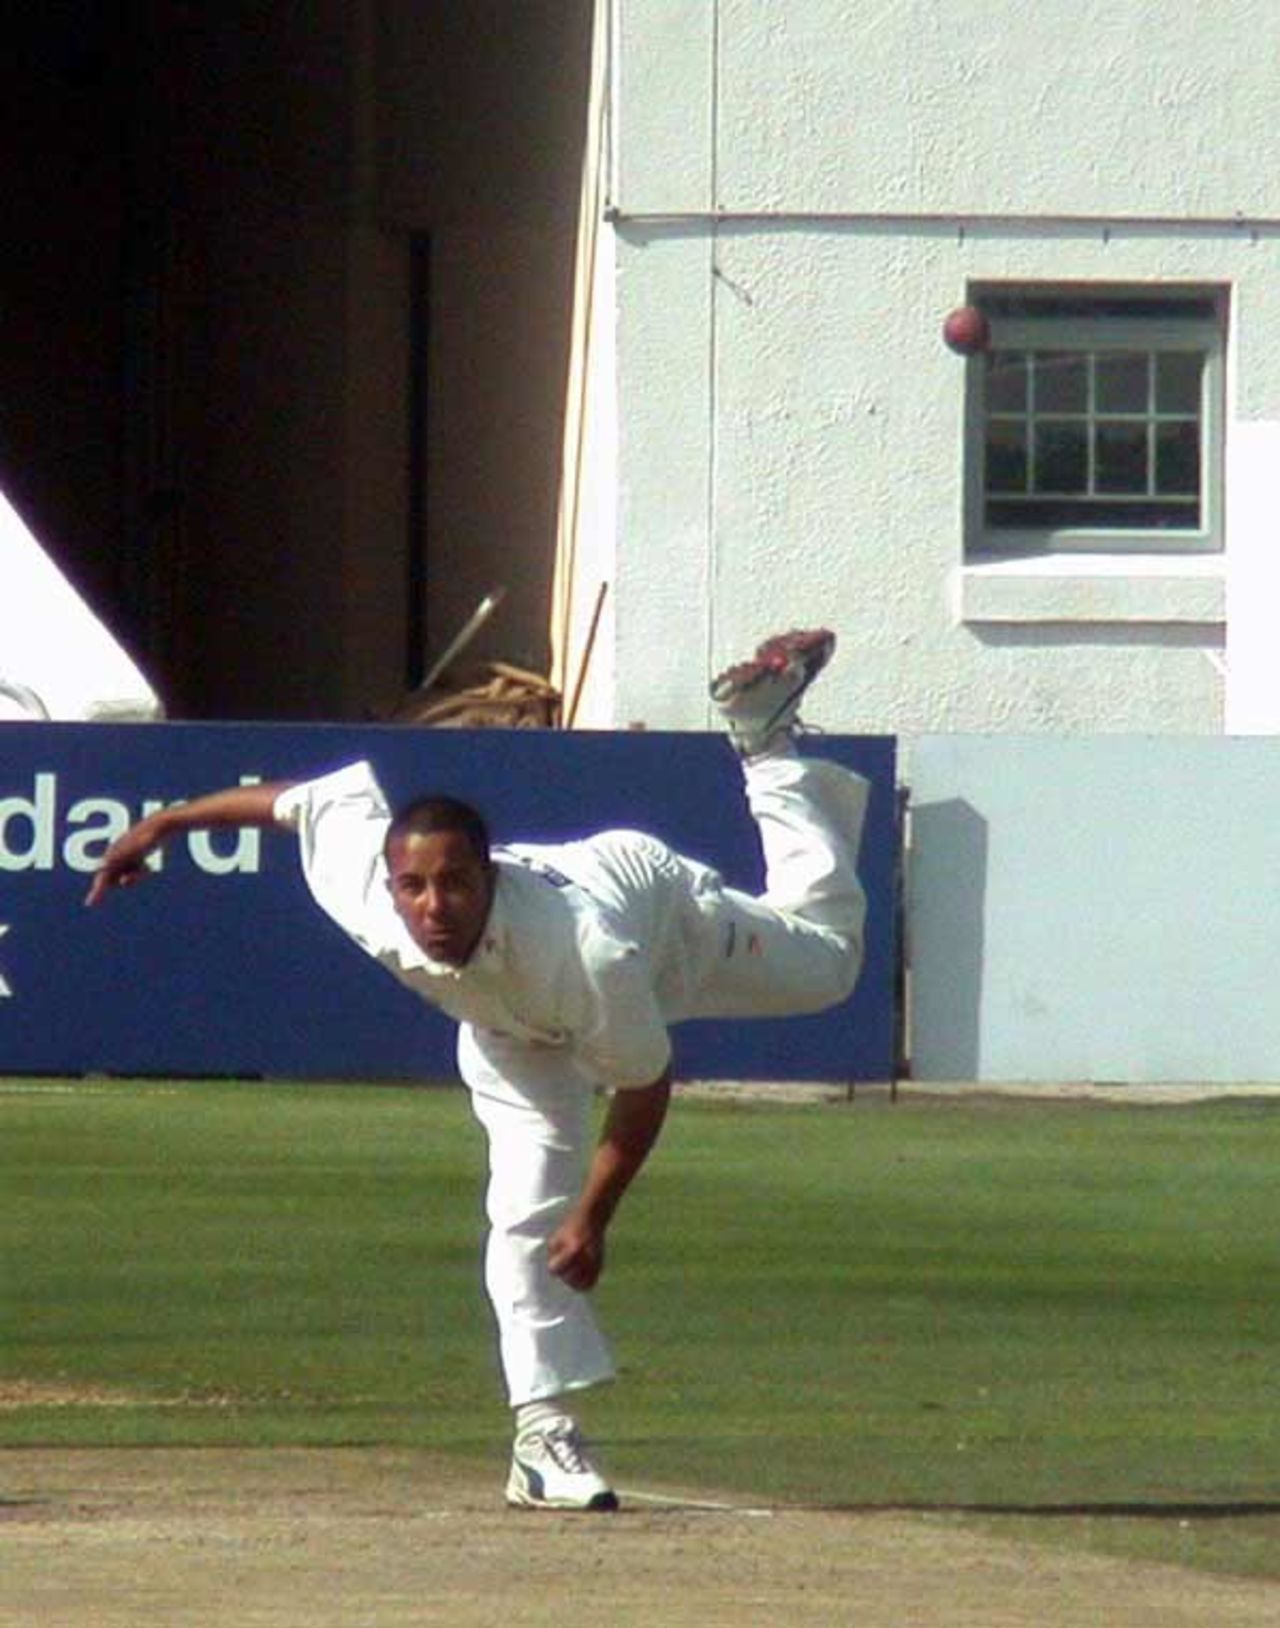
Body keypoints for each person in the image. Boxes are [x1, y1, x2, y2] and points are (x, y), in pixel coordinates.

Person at [86, 628, 869, 1512]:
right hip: (505, 1030)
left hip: (662, 928)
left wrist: (595, 1214)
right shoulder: (371, 895)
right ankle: (543, 1439)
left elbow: (645, 1083)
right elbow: (300, 804)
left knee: (831, 965)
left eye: (456, 883)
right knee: (522, 1218)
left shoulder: (589, 953)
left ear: (488, 876)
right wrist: (164, 823)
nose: (434, 907)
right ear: (391, 884)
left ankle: (765, 745)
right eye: (415, 888)